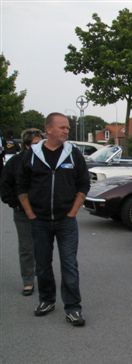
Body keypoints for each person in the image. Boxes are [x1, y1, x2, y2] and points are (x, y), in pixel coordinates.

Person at [17, 113, 90, 326]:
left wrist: (73, 212)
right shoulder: (32, 155)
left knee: (69, 265)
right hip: (39, 221)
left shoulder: (73, 154)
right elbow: (20, 186)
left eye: (67, 127)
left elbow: (84, 184)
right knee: (42, 264)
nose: (67, 130)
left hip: (66, 221)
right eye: (62, 127)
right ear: (48, 129)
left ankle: (73, 308)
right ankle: (47, 300)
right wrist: (30, 214)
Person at [0, 128, 43, 296]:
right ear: (26, 145)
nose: (39, 146)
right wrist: (15, 204)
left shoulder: (46, 160)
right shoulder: (15, 162)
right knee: (26, 247)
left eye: (41, 143)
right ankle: (28, 280)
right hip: (22, 212)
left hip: (43, 211)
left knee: (43, 246)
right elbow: (5, 185)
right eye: (35, 143)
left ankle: (43, 275)